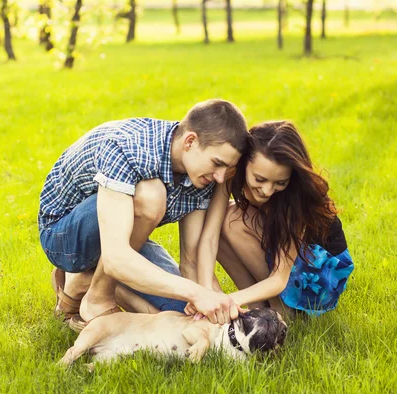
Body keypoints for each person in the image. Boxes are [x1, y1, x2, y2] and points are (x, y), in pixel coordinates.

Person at [38, 99, 248, 331]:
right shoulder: (130, 148)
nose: (220, 177)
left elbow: (191, 261)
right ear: (190, 141)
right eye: (217, 163)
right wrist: (195, 292)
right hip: (64, 236)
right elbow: (116, 258)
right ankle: (97, 297)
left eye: (226, 168)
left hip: (119, 233)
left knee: (182, 316)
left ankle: (81, 282)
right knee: (151, 196)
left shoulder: (202, 174)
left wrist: (218, 303)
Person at [144, 120, 353, 318]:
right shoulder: (229, 175)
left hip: (318, 273)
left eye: (280, 182)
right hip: (278, 252)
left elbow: (279, 278)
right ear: (243, 165)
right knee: (225, 218)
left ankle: (282, 310)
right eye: (259, 179)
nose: (268, 190)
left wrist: (229, 300)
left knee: (236, 222)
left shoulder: (295, 197)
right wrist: (207, 292)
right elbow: (209, 238)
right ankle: (259, 306)